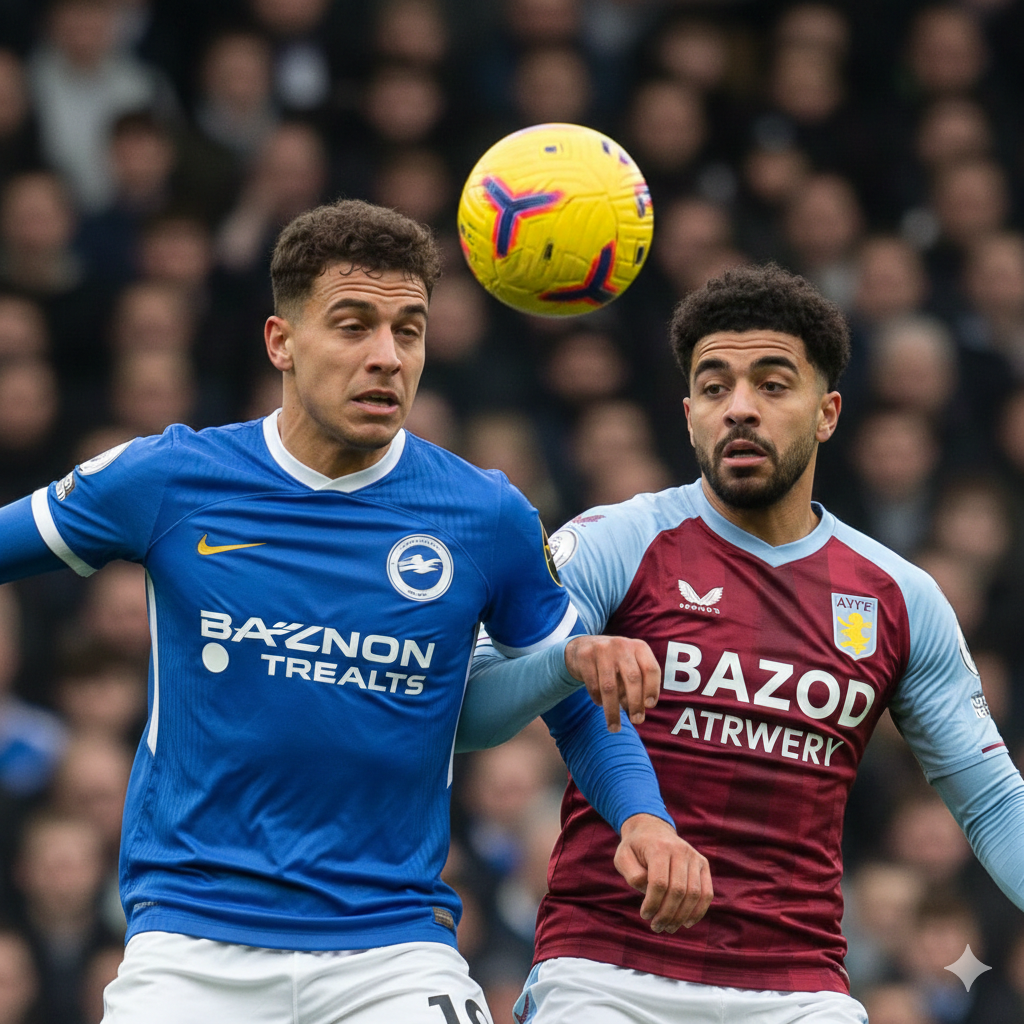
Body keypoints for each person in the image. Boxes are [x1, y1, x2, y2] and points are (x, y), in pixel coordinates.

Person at [0, 199, 707, 1022]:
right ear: (282, 342)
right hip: (192, 952)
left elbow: (580, 691)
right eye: (353, 325)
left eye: (408, 330)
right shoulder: (171, 479)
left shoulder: (484, 515)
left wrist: (646, 820)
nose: (386, 357)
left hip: (392, 952)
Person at [512, 263, 1024, 1023]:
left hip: (796, 987)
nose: (740, 409)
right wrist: (566, 660)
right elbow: (477, 702)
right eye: (715, 388)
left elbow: (990, 802)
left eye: (774, 385)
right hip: (605, 970)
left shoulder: (900, 596)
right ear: (689, 414)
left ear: (828, 412)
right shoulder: (615, 541)